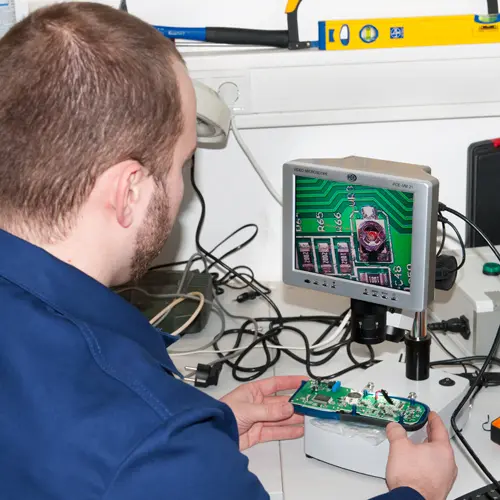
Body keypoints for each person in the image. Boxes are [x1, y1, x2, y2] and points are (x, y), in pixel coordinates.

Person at [0, 3, 457, 499]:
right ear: (128, 191)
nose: (182, 191)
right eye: (182, 164)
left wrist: (205, 427)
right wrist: (418, 492)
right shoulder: (153, 448)